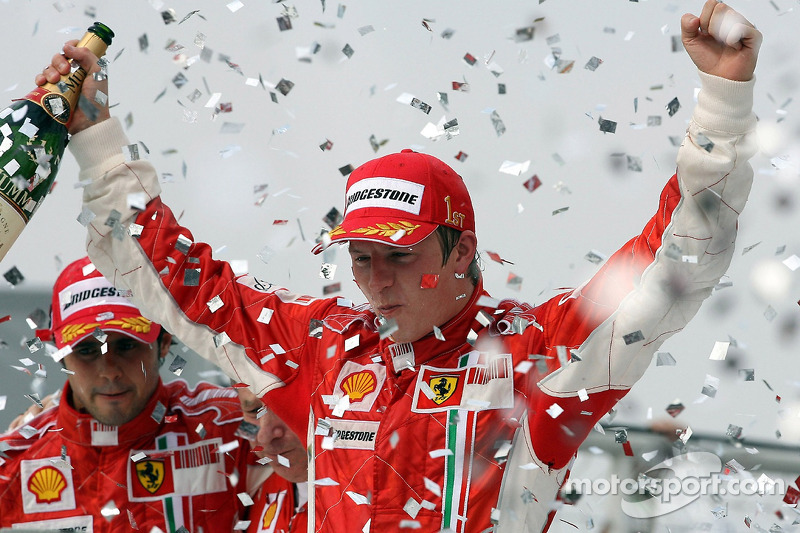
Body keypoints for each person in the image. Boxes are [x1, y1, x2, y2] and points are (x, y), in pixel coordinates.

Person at [39, 1, 762, 530]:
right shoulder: (322, 346)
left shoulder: (538, 353)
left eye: (400, 255)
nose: (376, 280)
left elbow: (678, 264)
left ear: (464, 251)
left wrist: (723, 104)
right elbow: (171, 279)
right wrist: (99, 134)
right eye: (361, 258)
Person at [0, 256, 267, 532]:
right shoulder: (10, 464)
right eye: (87, 350)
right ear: (59, 355)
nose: (109, 371)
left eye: (126, 345)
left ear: (163, 343)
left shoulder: (232, 428)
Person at [236, 385, 309, 533]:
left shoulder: (366, 502)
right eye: (253, 411)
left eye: (285, 405)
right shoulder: (254, 489)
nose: (264, 436)